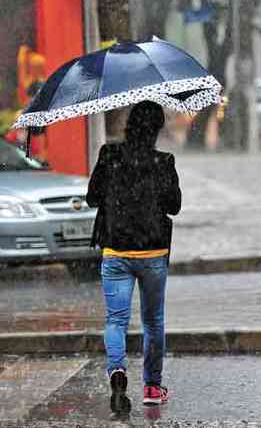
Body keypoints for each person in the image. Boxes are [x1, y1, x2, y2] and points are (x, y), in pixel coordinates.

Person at [86, 101, 181, 413]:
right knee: (153, 321)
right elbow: (174, 206)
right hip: (153, 252)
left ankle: (117, 373)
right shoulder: (164, 161)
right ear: (156, 129)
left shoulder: (109, 155)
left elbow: (92, 198)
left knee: (116, 320)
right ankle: (153, 387)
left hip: (116, 250)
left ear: (128, 125)